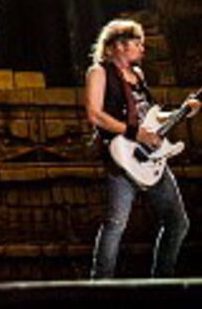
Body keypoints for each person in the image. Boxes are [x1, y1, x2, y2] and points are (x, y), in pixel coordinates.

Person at [83, 18, 195, 279]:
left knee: (177, 222)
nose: (143, 48)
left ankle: (162, 282)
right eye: (138, 43)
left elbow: (151, 116)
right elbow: (95, 114)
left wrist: (182, 111)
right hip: (122, 157)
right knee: (115, 224)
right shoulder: (98, 72)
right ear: (119, 45)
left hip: (150, 158)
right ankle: (100, 286)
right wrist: (136, 133)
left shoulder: (139, 75)